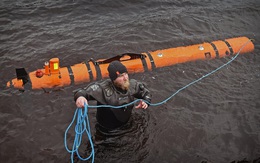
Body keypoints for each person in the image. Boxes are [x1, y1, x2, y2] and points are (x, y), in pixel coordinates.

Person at [74, 60, 152, 132]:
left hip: (127, 125)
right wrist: (80, 97)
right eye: (121, 76)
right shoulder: (103, 89)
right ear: (113, 79)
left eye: (126, 74)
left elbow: (146, 93)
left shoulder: (133, 85)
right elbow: (82, 92)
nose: (125, 78)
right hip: (106, 130)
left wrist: (146, 102)